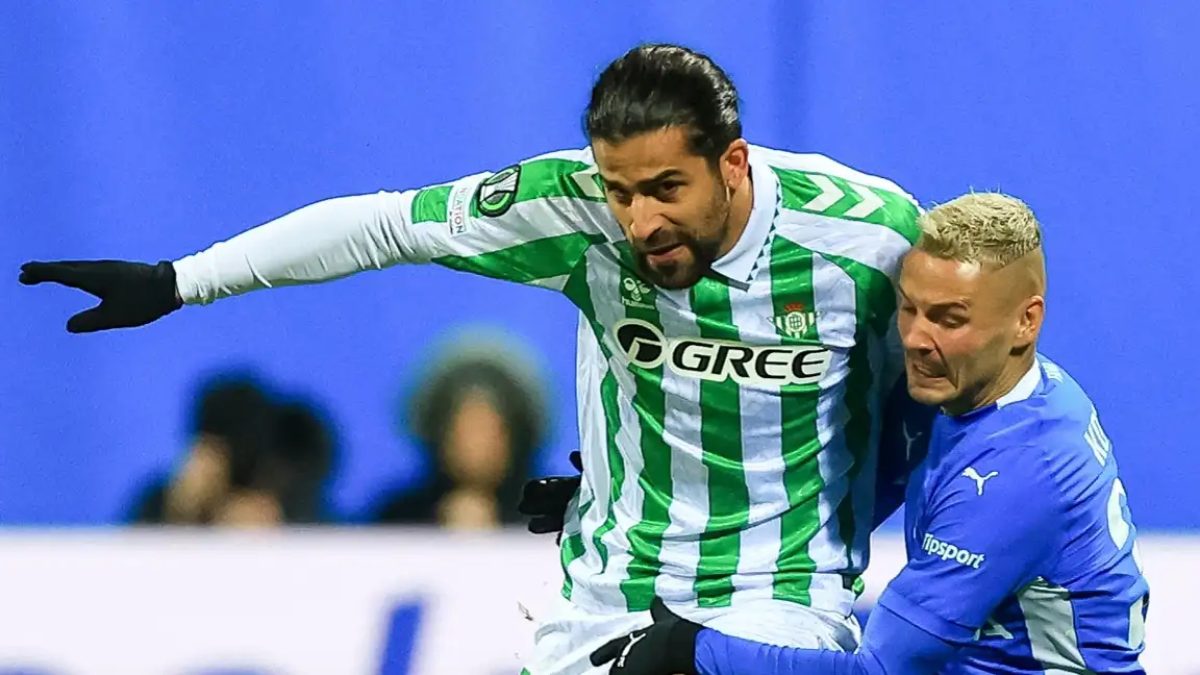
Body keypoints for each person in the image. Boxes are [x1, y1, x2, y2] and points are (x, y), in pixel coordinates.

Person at [21, 44, 922, 672]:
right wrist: (181, 280)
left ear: (732, 162)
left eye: (664, 190)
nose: (639, 221)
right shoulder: (570, 210)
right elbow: (383, 224)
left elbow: (943, 398)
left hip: (781, 599)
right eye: (619, 191)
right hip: (605, 593)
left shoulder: (863, 236)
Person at [590, 193, 1150, 674]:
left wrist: (693, 651)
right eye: (909, 309)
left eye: (949, 319)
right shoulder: (979, 389)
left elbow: (882, 669)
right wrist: (628, 489)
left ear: (1026, 322)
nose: (915, 338)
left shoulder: (1017, 472)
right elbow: (828, 492)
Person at [371, 337, 546, 529]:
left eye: (490, 431)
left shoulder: (552, 514)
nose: (476, 445)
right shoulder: (398, 518)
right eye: (465, 431)